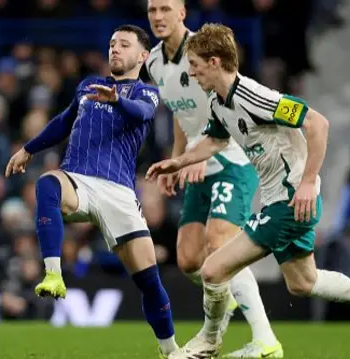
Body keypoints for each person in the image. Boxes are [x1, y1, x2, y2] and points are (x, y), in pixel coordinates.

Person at [147, 23, 350, 358]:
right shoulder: (218, 102)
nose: (192, 73)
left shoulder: (255, 96)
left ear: (215, 62)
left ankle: (212, 342)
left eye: (197, 66)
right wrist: (180, 161)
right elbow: (216, 140)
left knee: (214, 269)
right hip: (282, 201)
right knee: (303, 283)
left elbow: (317, 124)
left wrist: (307, 182)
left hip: (290, 201)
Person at [5, 25, 178, 358]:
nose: (114, 49)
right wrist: (29, 149)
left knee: (149, 282)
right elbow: (63, 121)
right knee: (48, 182)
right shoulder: (88, 85)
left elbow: (142, 113)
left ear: (142, 56)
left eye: (124, 45)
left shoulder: (146, 92)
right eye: (112, 43)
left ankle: (171, 351)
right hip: (79, 181)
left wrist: (118, 101)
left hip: (119, 194)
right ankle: (53, 274)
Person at [145, 0, 282, 357]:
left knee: (220, 246)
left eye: (165, 9)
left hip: (231, 158)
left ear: (182, 13)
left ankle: (264, 339)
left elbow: (228, 109)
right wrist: (178, 158)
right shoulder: (154, 62)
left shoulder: (202, 54)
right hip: (195, 161)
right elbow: (179, 110)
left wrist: (204, 154)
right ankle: (225, 301)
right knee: (189, 260)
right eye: (152, 10)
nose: (158, 17)